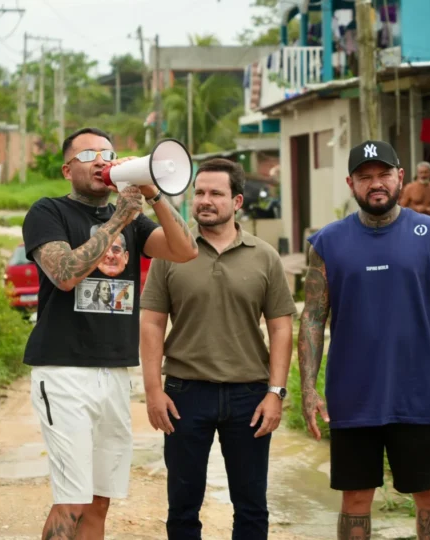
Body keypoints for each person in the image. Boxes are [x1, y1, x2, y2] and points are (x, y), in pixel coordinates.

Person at [20, 127, 199, 539]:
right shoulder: (48, 212)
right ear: (67, 169)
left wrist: (154, 195)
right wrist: (121, 217)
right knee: (72, 498)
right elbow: (64, 275)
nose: (101, 160)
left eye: (108, 152)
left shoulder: (137, 223)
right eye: (88, 155)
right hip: (64, 371)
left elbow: (186, 251)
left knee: (100, 499)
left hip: (115, 372)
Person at [297, 140, 430, 540]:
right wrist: (308, 387)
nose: (375, 184)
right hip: (352, 396)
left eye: (383, 174)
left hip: (417, 393)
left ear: (400, 177)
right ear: (351, 183)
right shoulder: (327, 243)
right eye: (365, 177)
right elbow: (312, 317)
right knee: (355, 500)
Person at [140, 158, 298, 540]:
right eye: (200, 192)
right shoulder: (172, 252)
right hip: (184, 394)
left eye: (216, 193)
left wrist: (275, 393)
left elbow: (280, 328)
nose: (205, 201)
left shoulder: (264, 256)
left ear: (238, 200)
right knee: (182, 506)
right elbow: (151, 322)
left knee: (251, 507)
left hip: (249, 396)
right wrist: (153, 391)